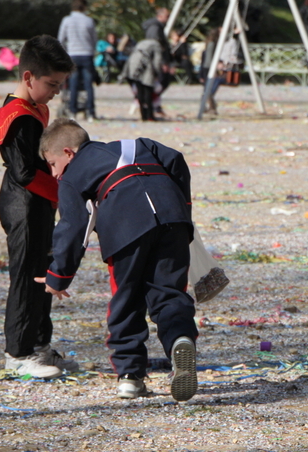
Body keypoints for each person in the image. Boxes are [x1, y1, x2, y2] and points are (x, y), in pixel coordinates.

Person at [34, 119, 199, 401]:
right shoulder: (138, 144)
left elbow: (72, 227)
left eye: (52, 163)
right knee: (170, 292)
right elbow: (176, 159)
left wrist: (58, 276)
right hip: (173, 218)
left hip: (125, 223)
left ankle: (130, 376)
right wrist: (182, 205)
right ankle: (180, 340)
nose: (54, 173)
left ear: (68, 152)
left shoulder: (72, 177)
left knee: (127, 297)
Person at [0, 35, 78, 379]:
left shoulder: (32, 108)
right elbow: (24, 172)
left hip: (38, 202)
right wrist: (67, 193)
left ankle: (39, 345)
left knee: (42, 275)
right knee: (25, 277)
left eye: (61, 84)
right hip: (24, 203)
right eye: (52, 84)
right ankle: (17, 352)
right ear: (29, 77)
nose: (57, 92)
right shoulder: (19, 115)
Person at [57, 0, 99, 122]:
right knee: (88, 85)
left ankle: (73, 112)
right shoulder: (89, 20)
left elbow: (61, 38)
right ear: (84, 7)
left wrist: (65, 52)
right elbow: (94, 39)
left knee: (73, 84)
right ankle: (90, 112)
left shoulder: (67, 20)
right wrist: (92, 51)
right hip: (87, 54)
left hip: (73, 55)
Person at [121, 39, 163, 121]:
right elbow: (157, 60)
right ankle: (150, 115)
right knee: (147, 90)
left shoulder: (142, 42)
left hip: (133, 63)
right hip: (145, 64)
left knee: (140, 90)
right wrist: (157, 74)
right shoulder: (157, 45)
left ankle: (143, 115)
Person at [142, 7, 173, 118]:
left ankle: (154, 104)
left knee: (160, 83)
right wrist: (163, 62)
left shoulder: (158, 27)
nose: (168, 19)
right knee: (160, 82)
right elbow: (156, 46)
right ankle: (151, 104)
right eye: (167, 16)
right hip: (155, 61)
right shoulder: (155, 28)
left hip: (157, 60)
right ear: (160, 16)